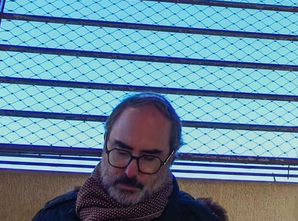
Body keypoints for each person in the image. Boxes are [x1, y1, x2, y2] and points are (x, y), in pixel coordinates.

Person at [31, 92, 227, 221]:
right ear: (105, 143)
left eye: (149, 158)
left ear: (170, 159)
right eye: (121, 152)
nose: (130, 171)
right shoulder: (53, 217)